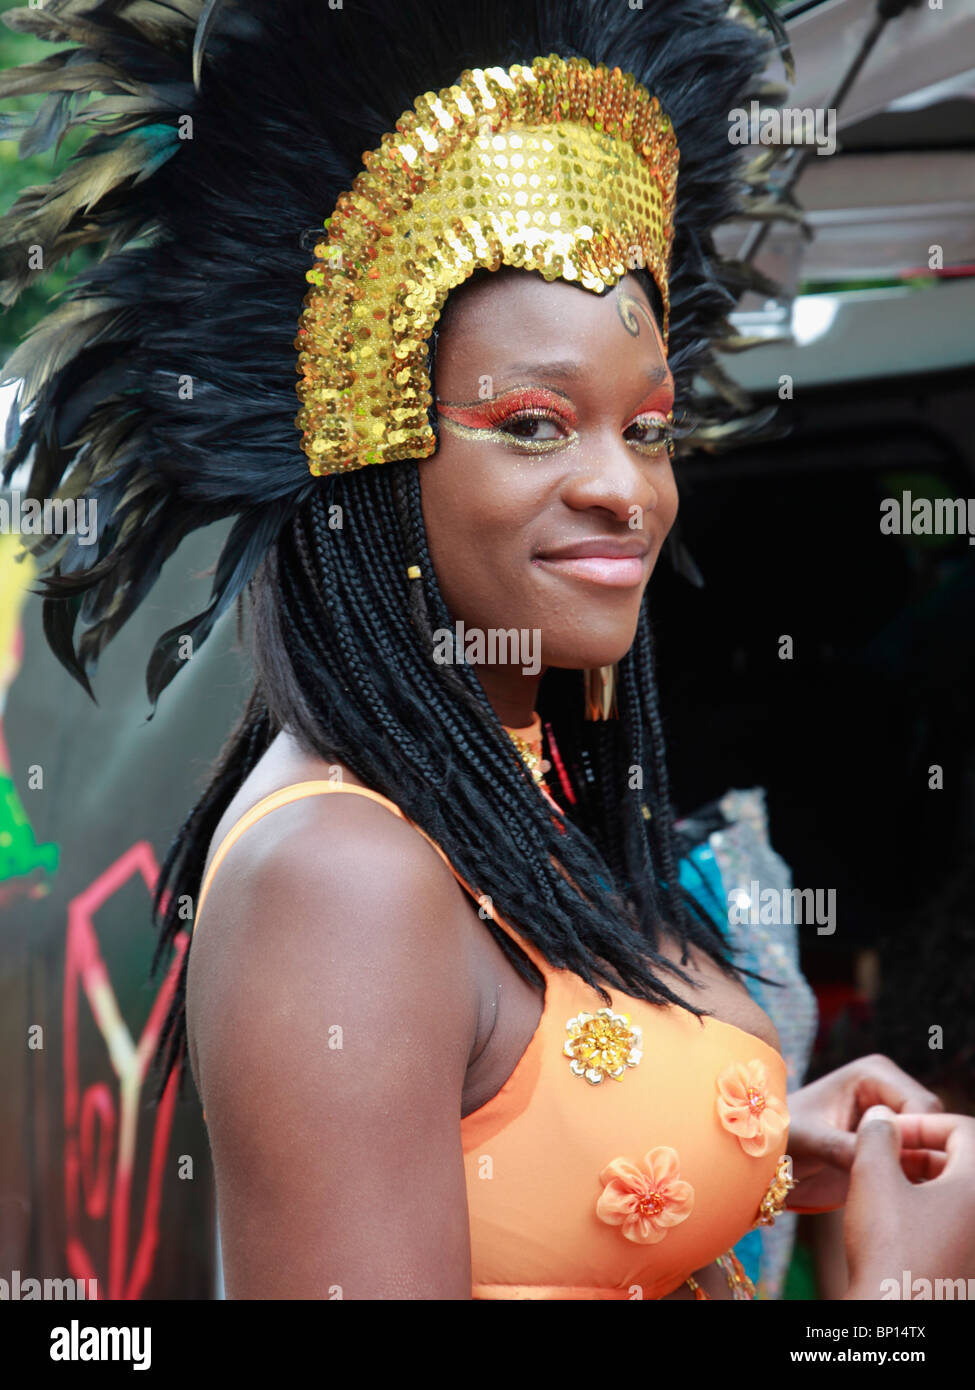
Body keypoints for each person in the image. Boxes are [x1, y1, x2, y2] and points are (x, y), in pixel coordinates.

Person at [2, 0, 973, 1301]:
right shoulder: (345, 874)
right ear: (376, 461)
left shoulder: (518, 782)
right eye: (534, 423)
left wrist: (750, 1149)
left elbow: (507, 1152)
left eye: (648, 425)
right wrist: (902, 1310)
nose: (624, 487)